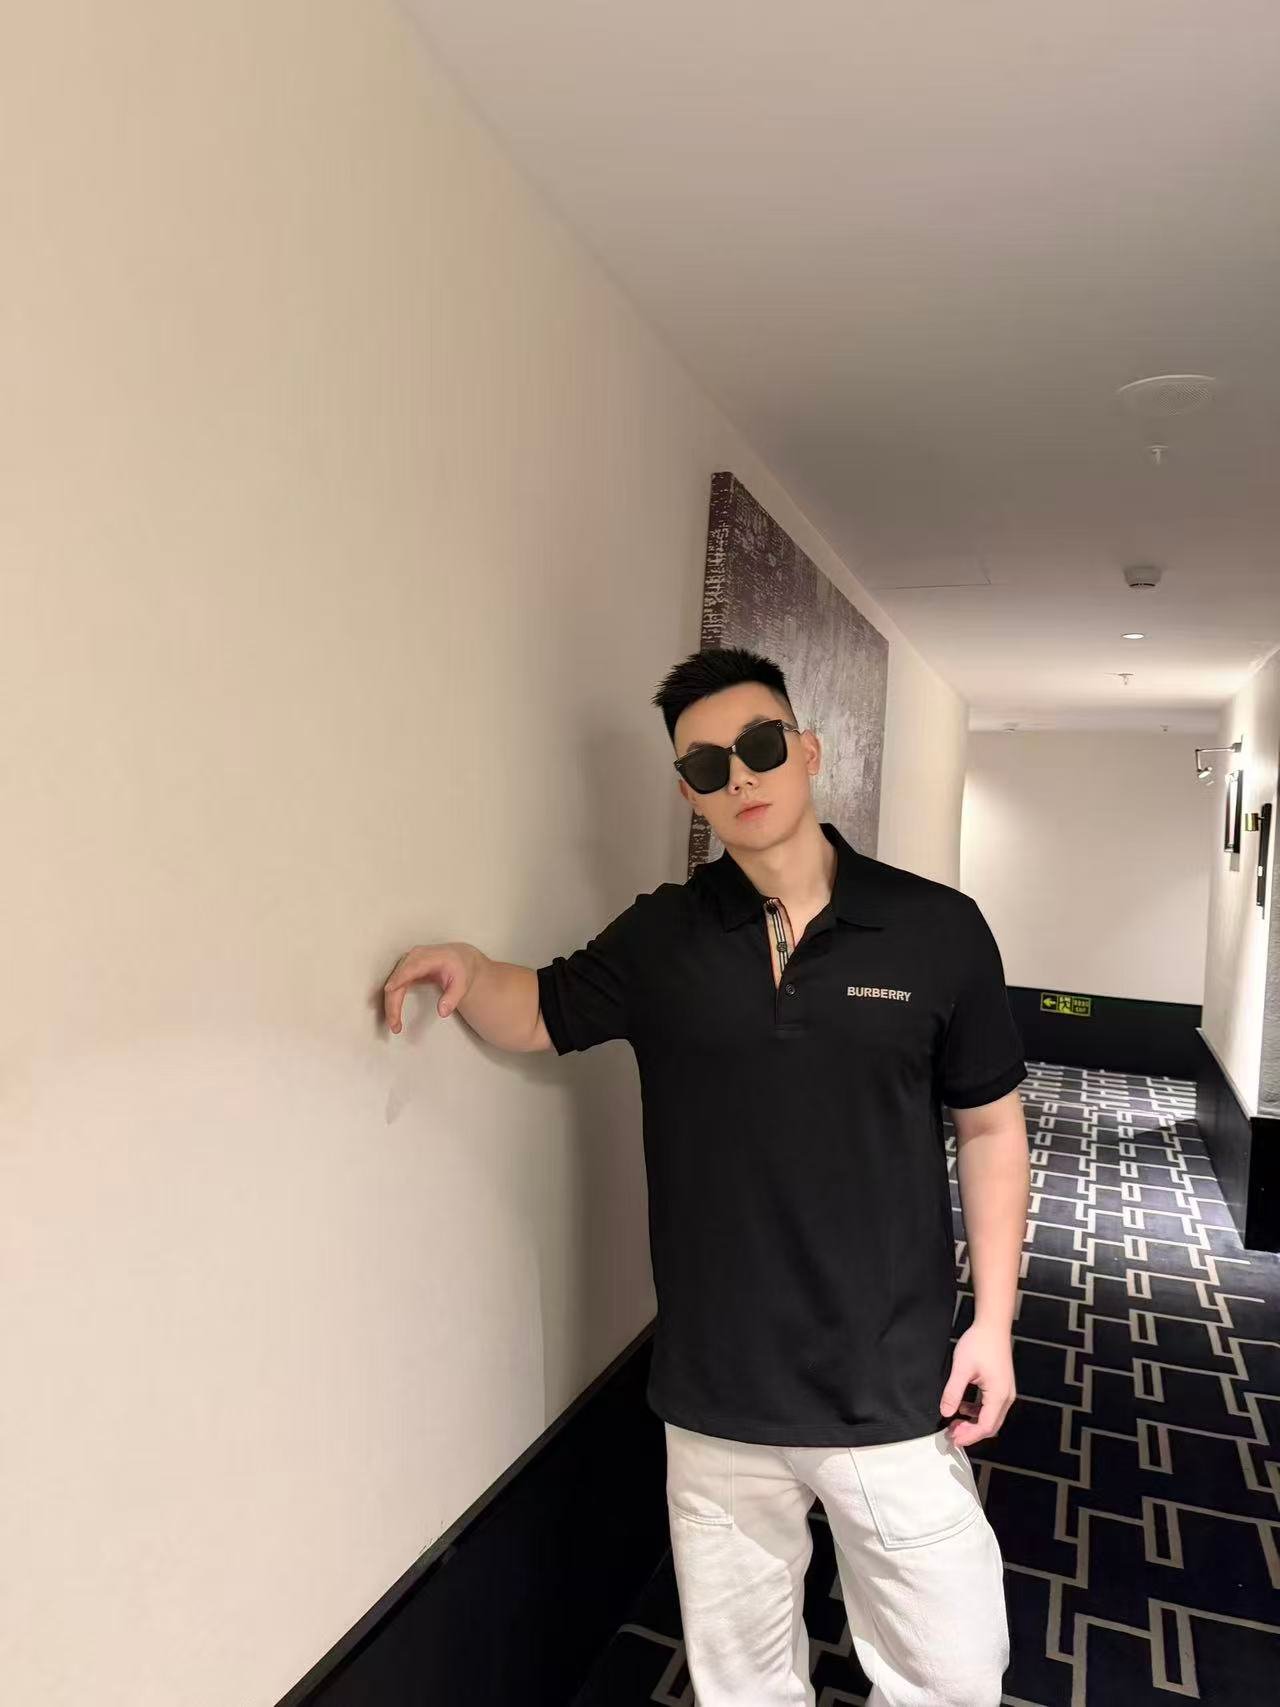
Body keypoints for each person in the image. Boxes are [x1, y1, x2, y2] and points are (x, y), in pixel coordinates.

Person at [383, 644, 1031, 1706]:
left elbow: (991, 1129)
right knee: (741, 1686)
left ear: (808, 751)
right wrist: (469, 967)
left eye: (761, 745)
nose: (740, 776)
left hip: (890, 1382)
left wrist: (992, 1324)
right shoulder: (663, 938)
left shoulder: (934, 929)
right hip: (716, 1395)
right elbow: (539, 1008)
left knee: (951, 1675)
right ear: (686, 791)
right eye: (706, 765)